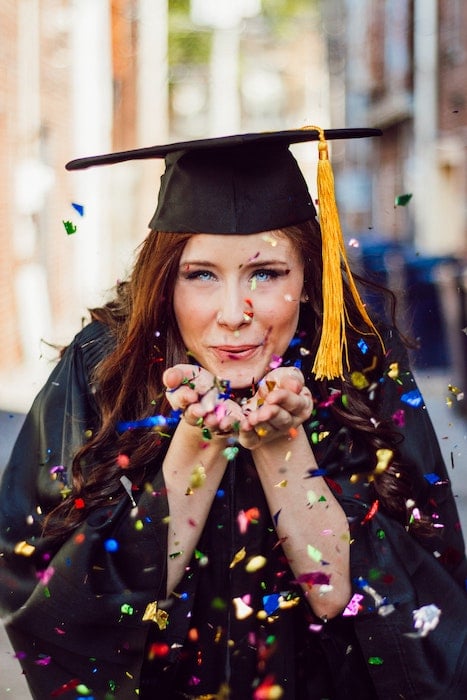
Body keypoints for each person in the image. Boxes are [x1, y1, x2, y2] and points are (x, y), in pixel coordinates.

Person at [1, 127, 466, 700]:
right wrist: (198, 445)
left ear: (308, 275)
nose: (233, 314)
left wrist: (281, 444)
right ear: (165, 279)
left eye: (266, 274)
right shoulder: (104, 366)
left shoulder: (357, 367)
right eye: (201, 275)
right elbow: (56, 608)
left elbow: (375, 607)